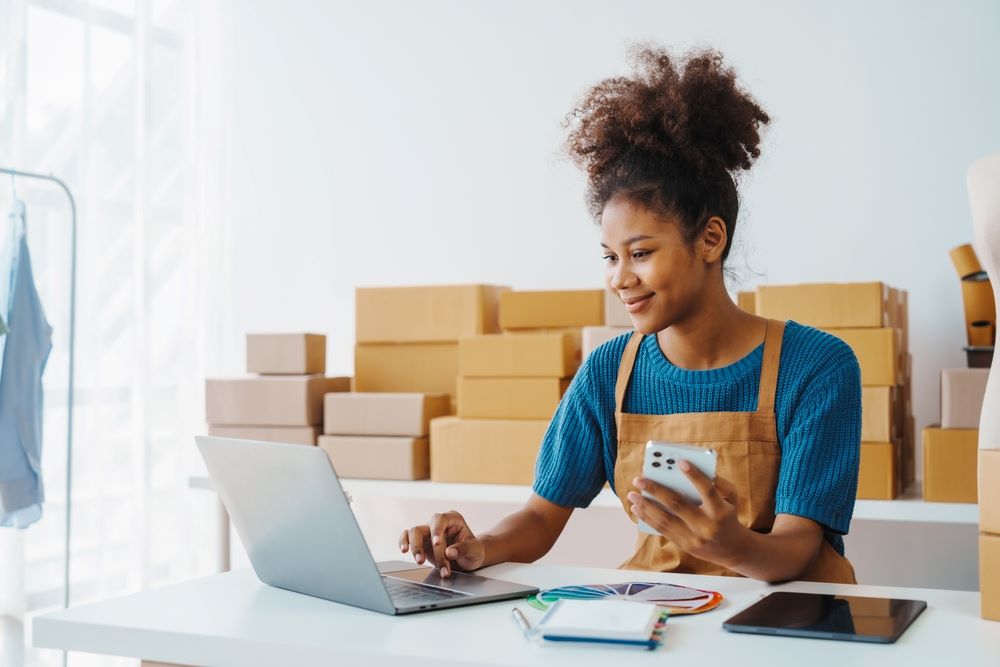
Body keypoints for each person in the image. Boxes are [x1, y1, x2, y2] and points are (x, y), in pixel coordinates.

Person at [399, 46, 861, 584]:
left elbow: (796, 550)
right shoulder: (608, 372)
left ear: (710, 239)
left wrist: (731, 546)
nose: (619, 278)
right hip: (663, 616)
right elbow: (540, 518)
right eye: (609, 257)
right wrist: (479, 547)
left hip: (788, 624)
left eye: (641, 253)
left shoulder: (817, 367)